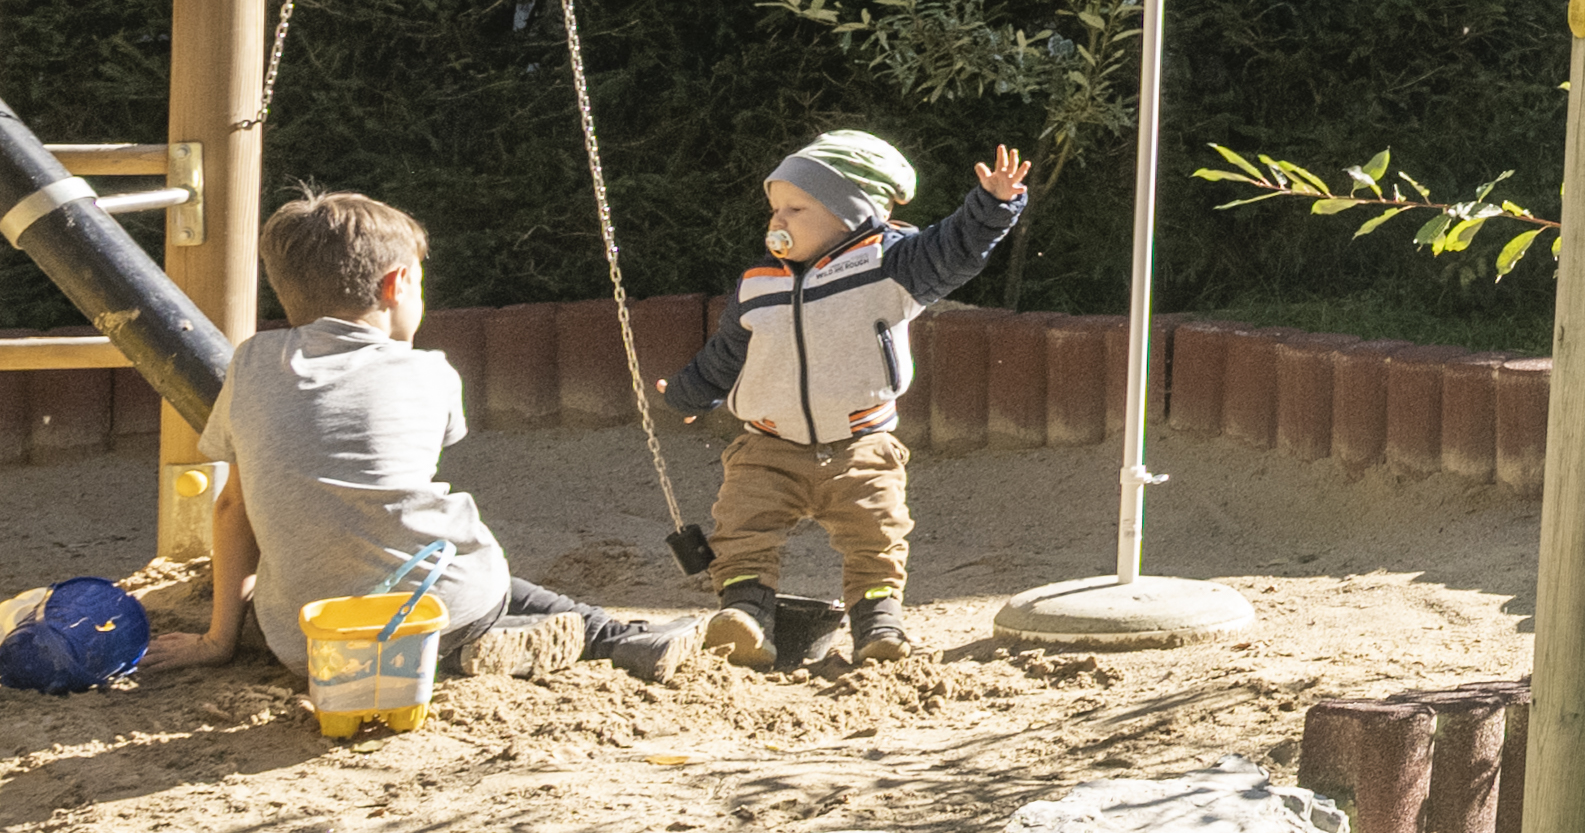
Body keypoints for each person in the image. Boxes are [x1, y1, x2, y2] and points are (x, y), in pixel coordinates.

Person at [178, 187, 756, 689]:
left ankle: (475, 645)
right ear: (396, 283)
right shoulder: (428, 371)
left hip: (308, 641)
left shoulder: (250, 362)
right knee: (487, 580)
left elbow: (233, 505)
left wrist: (219, 638)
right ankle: (610, 638)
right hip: (444, 602)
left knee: (288, 590)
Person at [660, 131, 1029, 673]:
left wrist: (992, 205)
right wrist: (693, 392)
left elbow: (955, 249)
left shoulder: (890, 265)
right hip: (767, 443)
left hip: (861, 443)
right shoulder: (757, 284)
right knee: (742, 526)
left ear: (849, 213)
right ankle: (745, 614)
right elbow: (729, 351)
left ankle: (878, 623)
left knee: (876, 532)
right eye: (774, 209)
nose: (777, 221)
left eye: (796, 207)